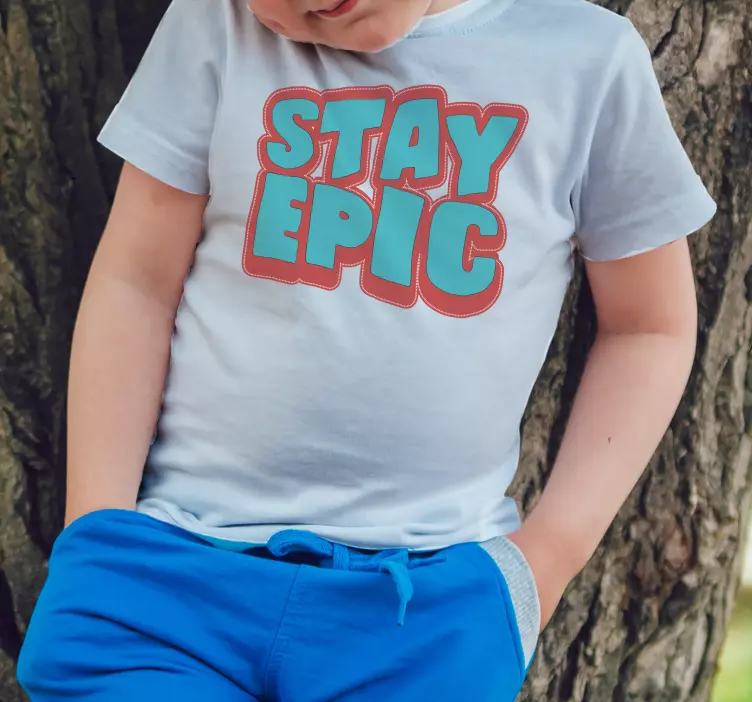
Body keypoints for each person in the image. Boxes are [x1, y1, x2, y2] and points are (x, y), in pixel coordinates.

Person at [16, 0, 717, 700]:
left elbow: (648, 326)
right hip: (168, 587)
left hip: (424, 616)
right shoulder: (217, 22)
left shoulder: (587, 62)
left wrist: (546, 560)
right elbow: (139, 281)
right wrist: (95, 530)